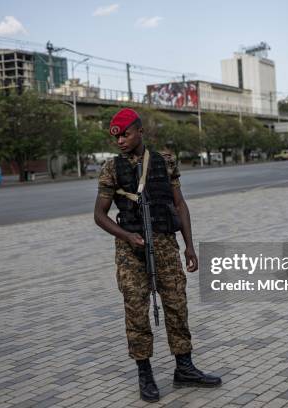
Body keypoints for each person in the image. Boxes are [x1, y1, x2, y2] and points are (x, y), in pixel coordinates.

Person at [94, 108, 221, 403]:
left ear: (140, 132)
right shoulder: (111, 168)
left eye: (126, 134)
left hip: (165, 245)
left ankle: (184, 368)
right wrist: (126, 236)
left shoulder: (165, 162)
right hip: (131, 250)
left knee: (177, 304)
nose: (121, 141)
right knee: (137, 310)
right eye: (117, 137)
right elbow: (99, 215)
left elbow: (180, 204)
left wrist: (189, 245)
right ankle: (145, 373)